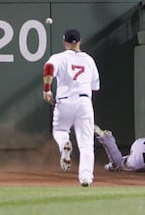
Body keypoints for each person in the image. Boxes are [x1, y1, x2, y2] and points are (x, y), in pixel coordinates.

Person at [42, 29, 100, 187]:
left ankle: (64, 144)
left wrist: (47, 89)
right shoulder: (89, 60)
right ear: (80, 41)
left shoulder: (59, 58)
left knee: (60, 131)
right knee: (87, 144)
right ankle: (86, 177)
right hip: (84, 102)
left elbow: (48, 69)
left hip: (64, 101)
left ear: (64, 41)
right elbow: (95, 87)